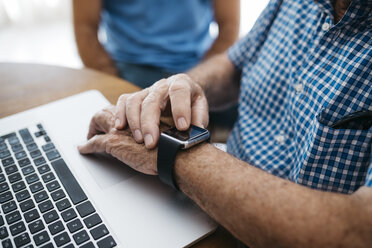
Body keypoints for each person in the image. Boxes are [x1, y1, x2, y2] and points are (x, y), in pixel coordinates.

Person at [78, 0, 372, 247]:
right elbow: (235, 63)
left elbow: (358, 231)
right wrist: (188, 83)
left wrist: (174, 151)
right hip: (203, 200)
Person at [73, 0, 240, 88]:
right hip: (130, 67)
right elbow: (85, 28)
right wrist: (113, 85)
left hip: (199, 63)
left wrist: (203, 78)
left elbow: (229, 27)